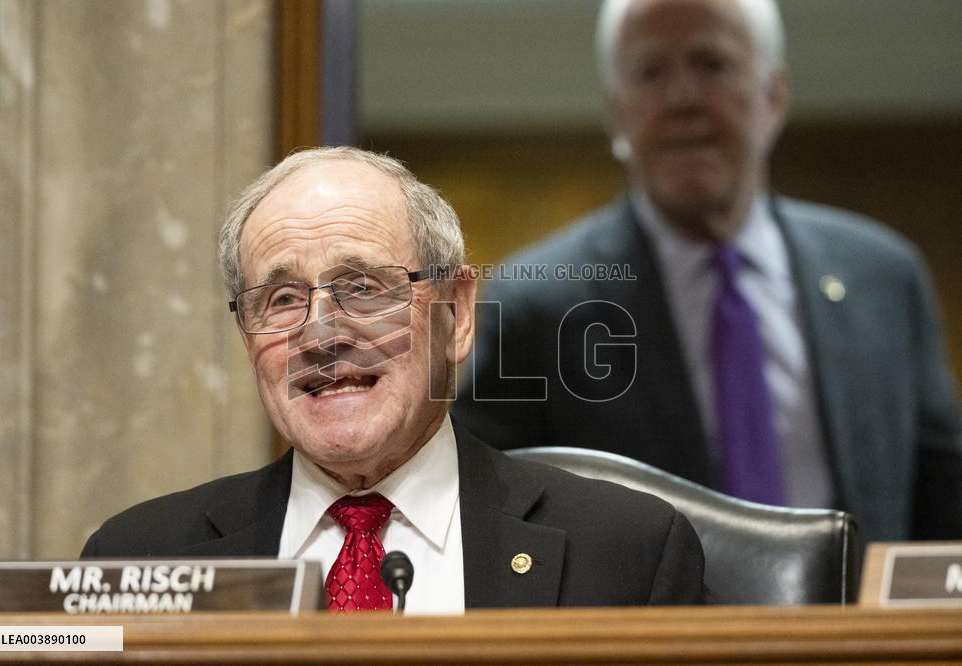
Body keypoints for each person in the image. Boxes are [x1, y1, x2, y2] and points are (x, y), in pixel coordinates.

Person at [81, 147, 705, 612]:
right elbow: (24, 637)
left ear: (456, 314)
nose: (321, 334)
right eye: (281, 299)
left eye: (363, 288)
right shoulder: (138, 558)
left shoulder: (630, 553)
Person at [452, 0, 962, 543]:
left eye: (711, 64)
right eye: (652, 72)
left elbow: (945, 501)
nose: (683, 99)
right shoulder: (540, 303)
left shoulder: (882, 277)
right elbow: (487, 514)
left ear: (774, 96)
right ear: (617, 113)